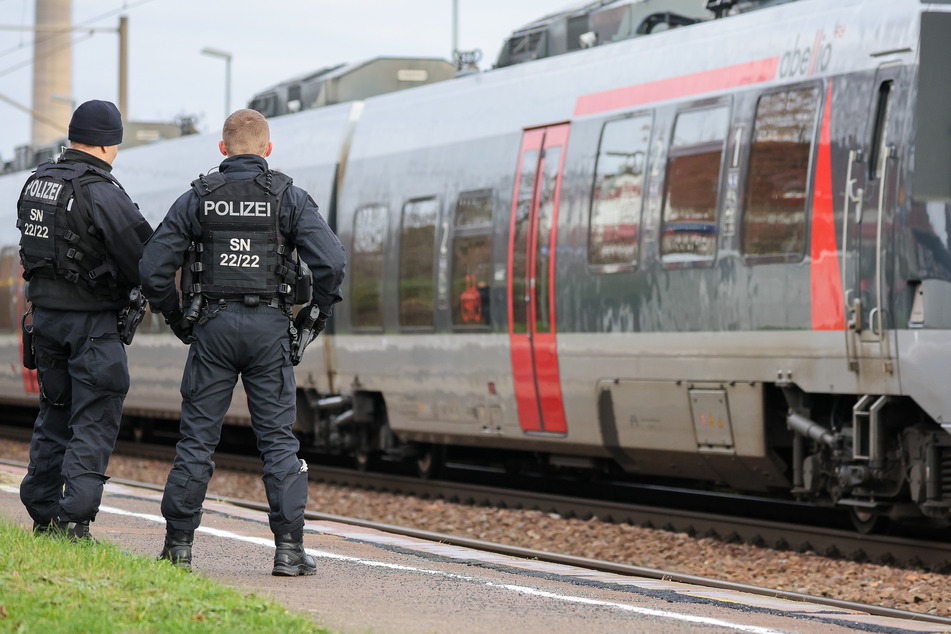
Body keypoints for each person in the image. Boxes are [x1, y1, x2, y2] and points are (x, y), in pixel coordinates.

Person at [139, 108, 346, 576]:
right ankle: (289, 552)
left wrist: (178, 319)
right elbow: (332, 262)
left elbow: (153, 268)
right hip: (270, 330)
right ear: (268, 150)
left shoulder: (198, 198)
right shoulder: (287, 197)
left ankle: (178, 548)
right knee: (277, 441)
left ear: (222, 149)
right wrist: (311, 318)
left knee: (197, 439)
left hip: (211, 328)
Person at [17, 99, 153, 539]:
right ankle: (73, 520)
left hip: (46, 323)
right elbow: (143, 257)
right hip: (92, 325)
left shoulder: (37, 182)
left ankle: (42, 510)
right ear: (109, 145)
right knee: (93, 419)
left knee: (55, 413)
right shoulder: (100, 191)